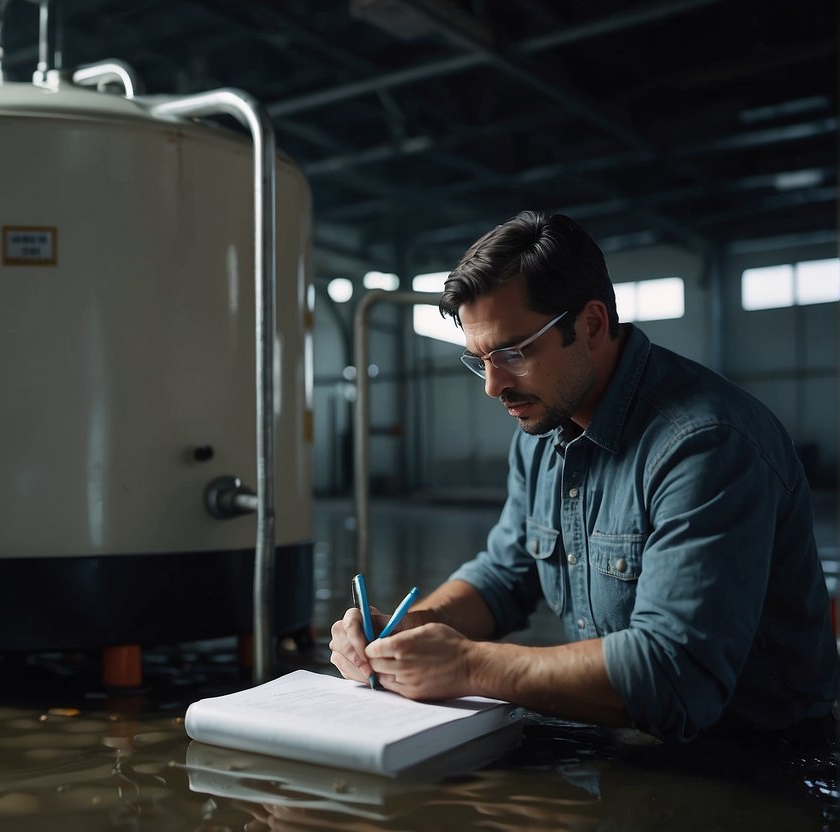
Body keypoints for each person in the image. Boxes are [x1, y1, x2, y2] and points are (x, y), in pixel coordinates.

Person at [329, 210, 839, 745]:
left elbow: (674, 674)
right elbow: (505, 574)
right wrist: (415, 627)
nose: (493, 386)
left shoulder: (704, 445)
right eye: (480, 360)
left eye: (513, 352)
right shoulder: (544, 428)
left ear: (592, 325)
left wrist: (468, 666)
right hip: (632, 745)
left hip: (763, 768)